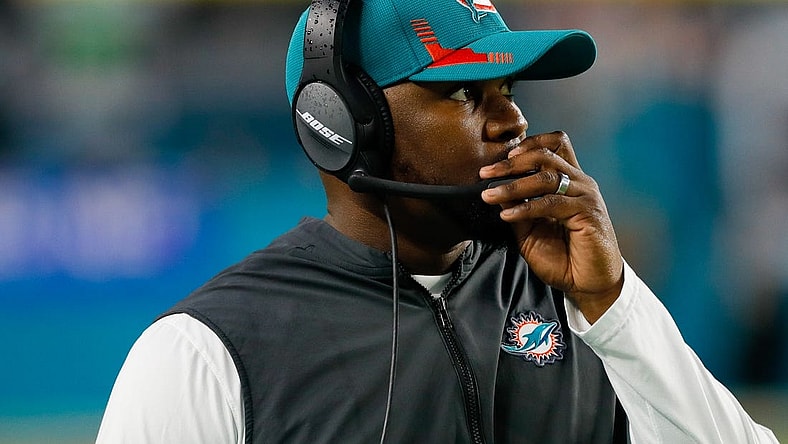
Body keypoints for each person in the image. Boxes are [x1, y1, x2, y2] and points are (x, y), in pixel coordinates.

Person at [96, 0, 778, 443]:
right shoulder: (207, 351)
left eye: (507, 90)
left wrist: (614, 303)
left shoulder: (583, 305)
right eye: (461, 92)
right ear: (342, 124)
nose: (512, 120)